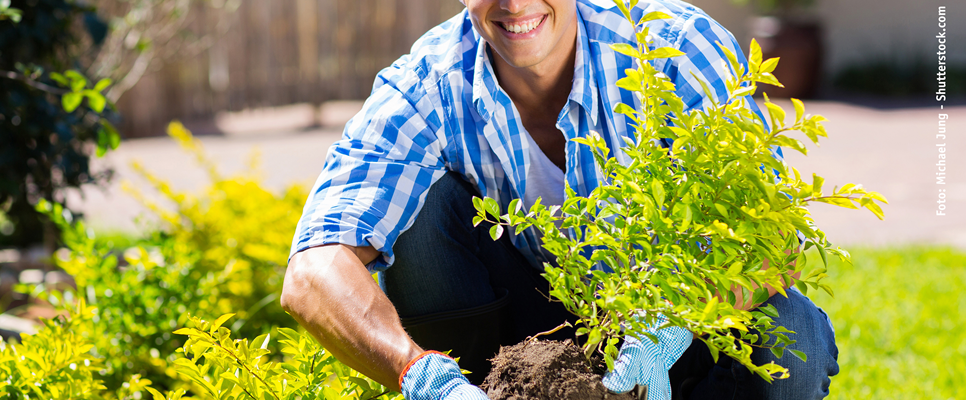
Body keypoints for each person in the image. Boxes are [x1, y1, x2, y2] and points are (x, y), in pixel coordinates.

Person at [280, 0, 839, 399]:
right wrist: (419, 374)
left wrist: (668, 325)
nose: (515, 3)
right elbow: (313, 269)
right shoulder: (429, 83)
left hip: (673, 326)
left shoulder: (672, 48)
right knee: (416, 210)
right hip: (518, 337)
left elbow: (772, 235)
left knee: (794, 336)